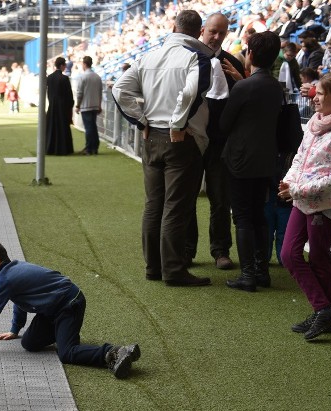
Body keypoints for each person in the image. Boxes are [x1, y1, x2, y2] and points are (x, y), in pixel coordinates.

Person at [112, 10, 214, 287]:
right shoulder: (197, 58)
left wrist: (140, 119)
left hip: (151, 137)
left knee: (153, 205)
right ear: (199, 31)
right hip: (179, 139)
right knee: (175, 207)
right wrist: (177, 124)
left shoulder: (148, 56)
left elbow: (120, 89)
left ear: (173, 26)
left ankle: (153, 268)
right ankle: (174, 270)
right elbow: (192, 92)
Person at [0, 240, 141, 379]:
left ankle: (114, 352)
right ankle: (64, 332)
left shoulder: (6, 279)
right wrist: (16, 330)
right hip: (51, 309)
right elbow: (19, 300)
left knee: (67, 353)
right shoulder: (8, 275)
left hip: (69, 304)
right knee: (29, 343)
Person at [278, 73, 331, 340]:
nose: (315, 98)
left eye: (321, 94)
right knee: (289, 254)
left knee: (318, 258)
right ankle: (324, 310)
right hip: (301, 199)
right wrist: (290, 182)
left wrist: (297, 189)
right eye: (316, 93)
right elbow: (300, 158)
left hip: (323, 205)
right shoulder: (316, 123)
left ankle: (323, 313)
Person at [219, 31, 284, 293]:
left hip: (241, 160)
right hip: (266, 160)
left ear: (251, 54)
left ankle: (247, 274)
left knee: (243, 217)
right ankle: (261, 271)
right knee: (259, 214)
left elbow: (225, 123)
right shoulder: (275, 86)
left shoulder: (244, 87)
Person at [188, 13, 245, 272]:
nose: (216, 37)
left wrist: (239, 81)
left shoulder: (232, 64)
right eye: (213, 31)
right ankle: (186, 250)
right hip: (191, 139)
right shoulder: (188, 60)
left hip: (221, 144)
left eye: (222, 33)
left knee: (220, 200)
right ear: (202, 30)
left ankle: (221, 251)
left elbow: (245, 103)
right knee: (186, 198)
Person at [45, 57, 74, 155]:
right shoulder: (64, 78)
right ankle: (63, 149)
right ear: (62, 65)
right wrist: (70, 105)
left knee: (52, 128)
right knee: (62, 128)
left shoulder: (49, 77)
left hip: (52, 106)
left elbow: (48, 93)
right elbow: (69, 95)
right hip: (62, 108)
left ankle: (50, 148)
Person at [74, 55, 103, 156]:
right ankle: (95, 147)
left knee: (89, 128)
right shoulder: (97, 77)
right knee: (93, 126)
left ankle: (89, 148)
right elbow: (100, 92)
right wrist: (99, 105)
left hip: (86, 106)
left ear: (85, 64)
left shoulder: (83, 77)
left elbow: (79, 93)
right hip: (95, 105)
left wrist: (77, 105)